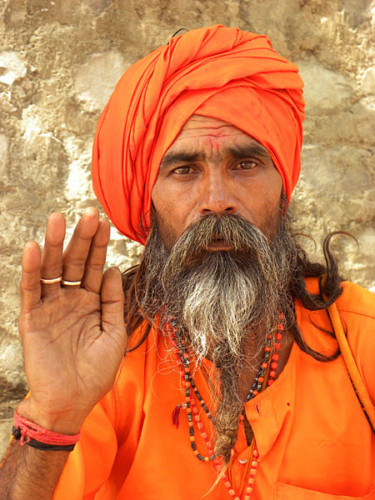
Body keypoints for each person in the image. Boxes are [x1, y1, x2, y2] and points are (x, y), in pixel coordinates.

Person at [0, 24, 374, 500]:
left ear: (283, 184)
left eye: (245, 164)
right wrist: (52, 415)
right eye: (184, 170)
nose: (217, 200)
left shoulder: (362, 339)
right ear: (148, 200)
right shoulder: (110, 360)